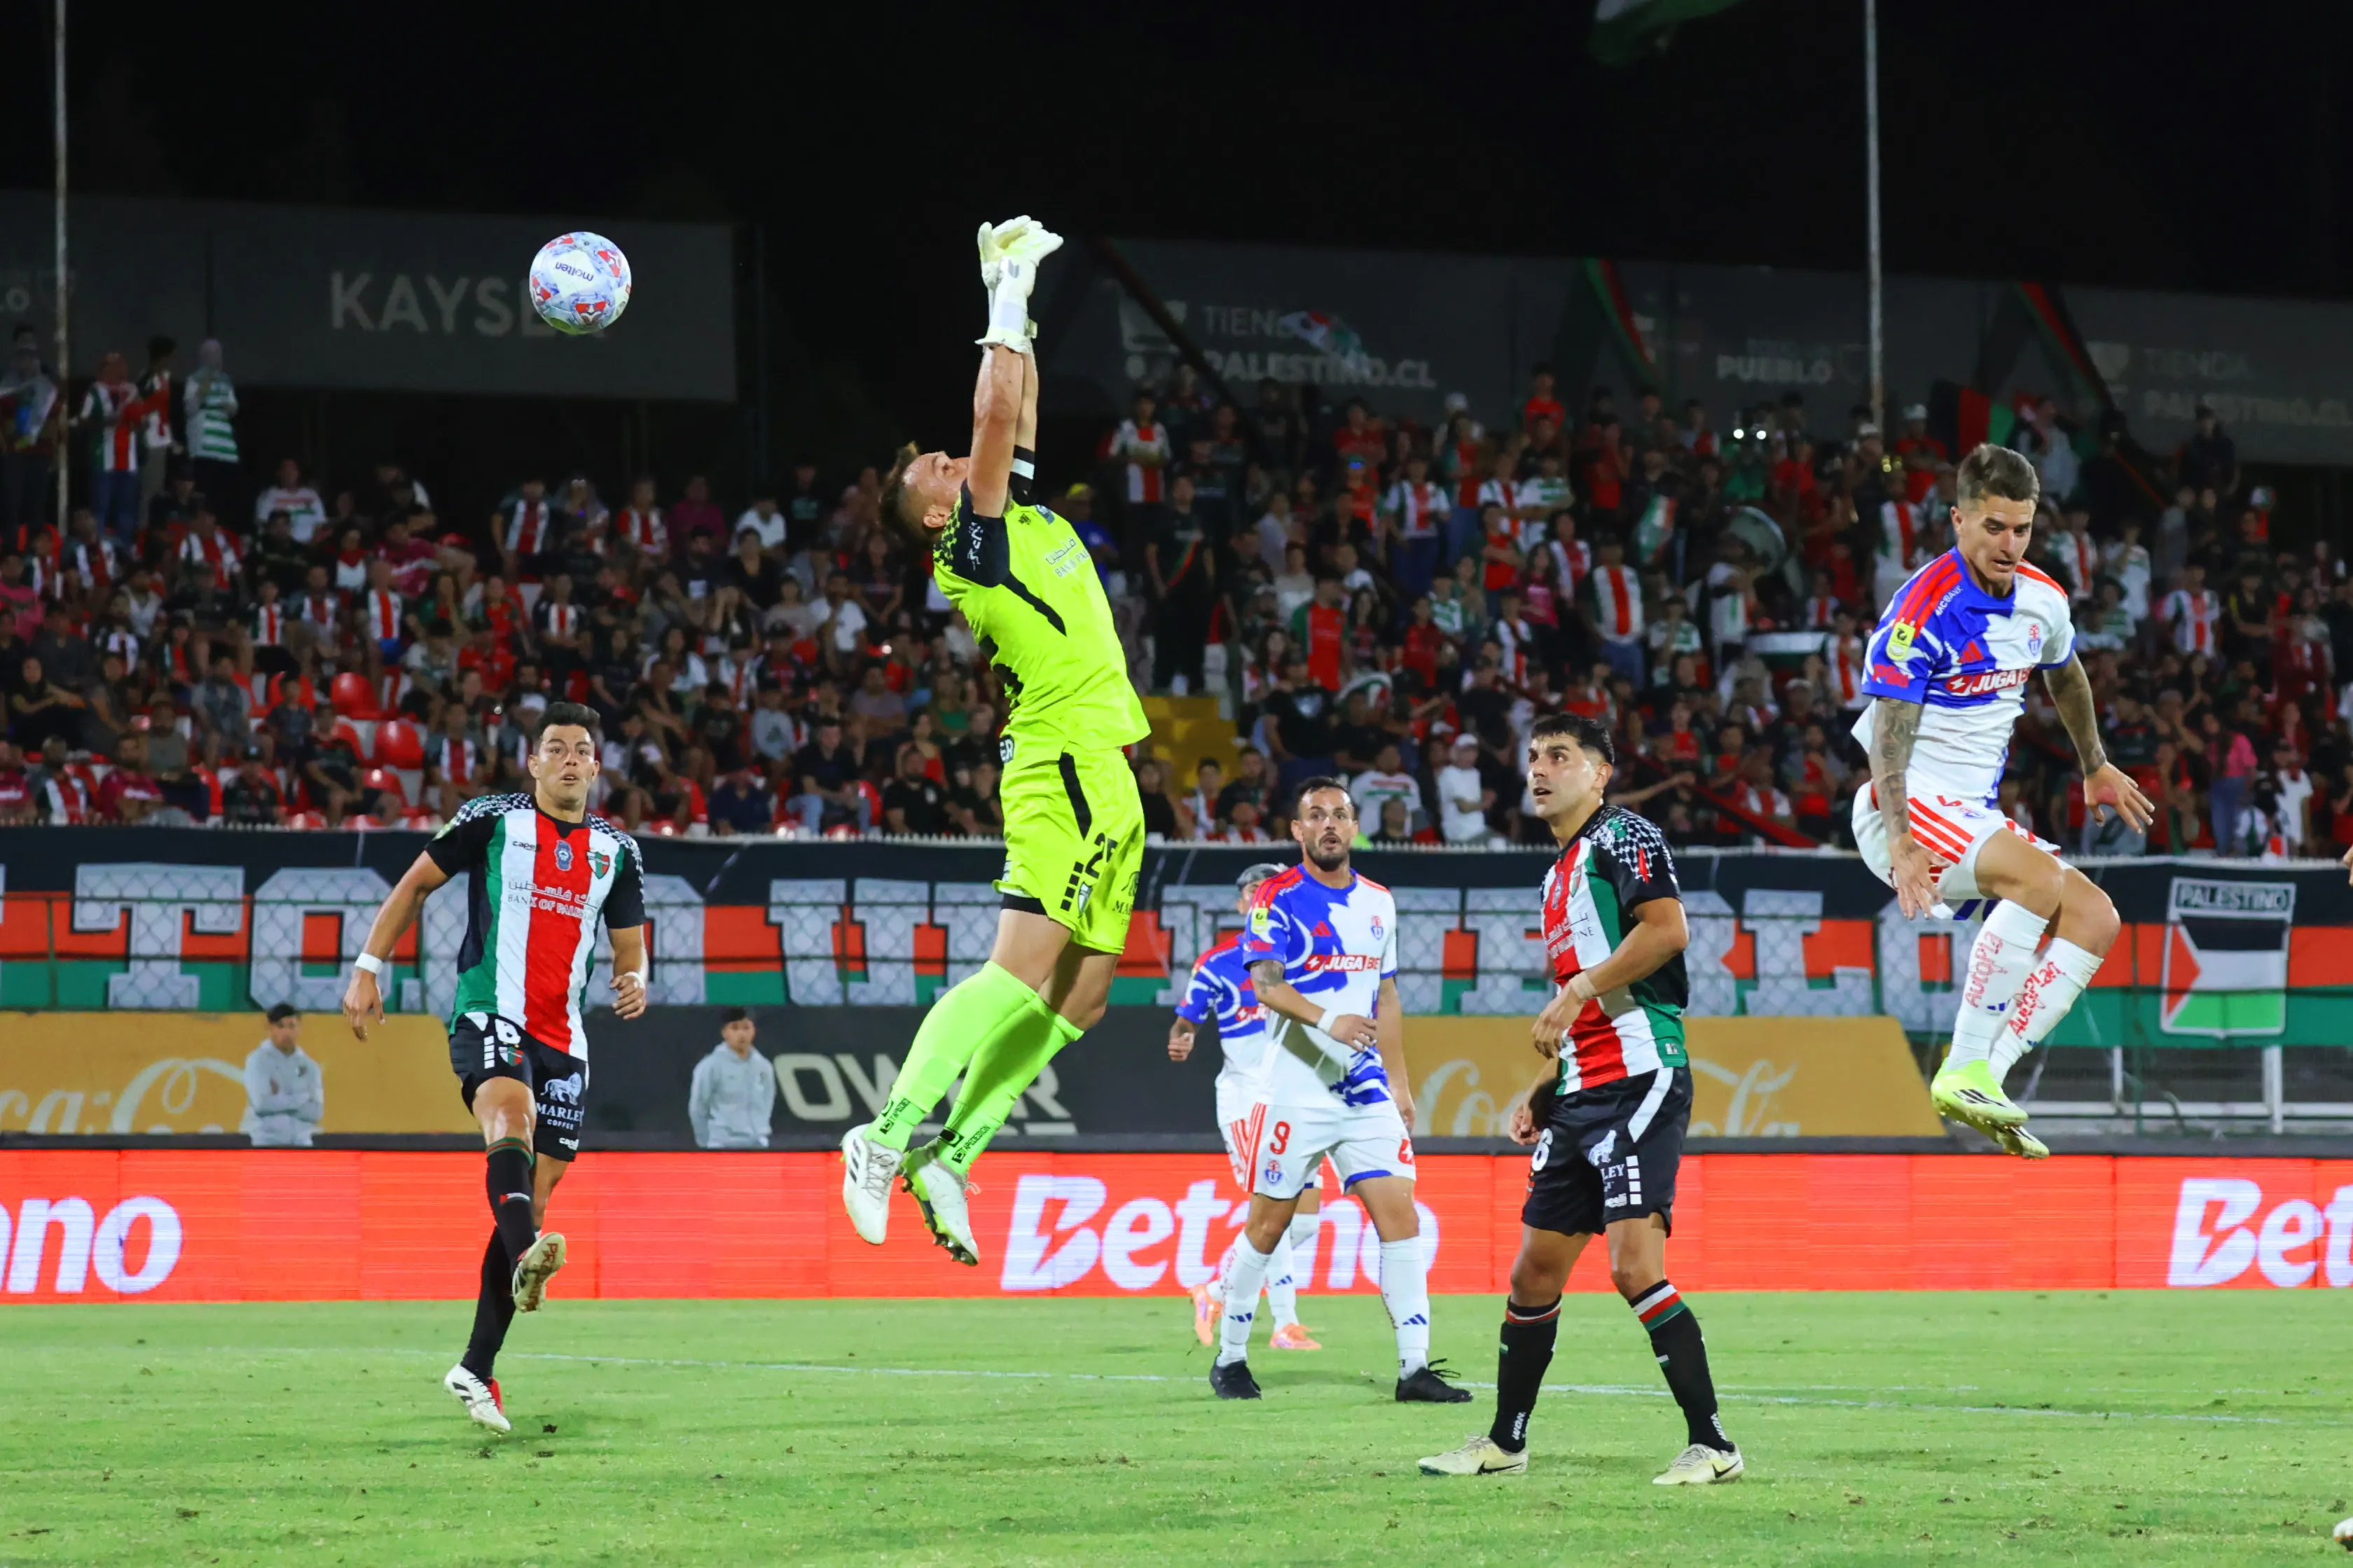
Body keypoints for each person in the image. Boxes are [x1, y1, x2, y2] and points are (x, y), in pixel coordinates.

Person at [843, 218, 1149, 1266]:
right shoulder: (969, 550)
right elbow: (985, 411)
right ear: (934, 517)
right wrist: (1002, 297)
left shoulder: (1011, 510)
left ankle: (952, 1154)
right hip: (1056, 759)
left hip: (1109, 771)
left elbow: (1006, 406)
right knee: (1018, 972)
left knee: (1086, 991)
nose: (945, 459)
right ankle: (883, 1133)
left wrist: (1012, 294)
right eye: (931, 472)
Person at [1419, 712, 1735, 1485]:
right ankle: (1504, 1441)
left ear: (1598, 774)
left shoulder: (1625, 836)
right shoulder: (1554, 873)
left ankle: (1713, 1444)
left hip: (1640, 1075)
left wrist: (1578, 991)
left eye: (1558, 756)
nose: (1537, 768)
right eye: (1531, 756)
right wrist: (1543, 1085)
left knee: (1633, 1266)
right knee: (1532, 1274)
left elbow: (1666, 931)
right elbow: (1580, 1000)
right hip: (1581, 1086)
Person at [340, 700, 649, 1435]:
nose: (571, 759)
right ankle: (525, 1259)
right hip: (491, 1011)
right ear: (534, 763)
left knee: (534, 1200)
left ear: (596, 768)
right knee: (510, 1118)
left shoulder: (617, 850)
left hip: (565, 1037)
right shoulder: (491, 819)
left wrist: (636, 978)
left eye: (583, 750)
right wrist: (366, 966)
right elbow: (415, 885)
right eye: (556, 748)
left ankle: (476, 1366)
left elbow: (630, 943)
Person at [1850, 444, 2152, 1158]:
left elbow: (2067, 673)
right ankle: (1962, 1063)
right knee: (2039, 881)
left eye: (2019, 528)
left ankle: (1985, 1071)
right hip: (1903, 804)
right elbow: (1886, 739)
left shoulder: (2041, 599)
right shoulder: (1919, 613)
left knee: (2093, 916)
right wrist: (1898, 841)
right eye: (1992, 527)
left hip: (1970, 813)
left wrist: (2095, 764)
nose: (2007, 544)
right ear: (1957, 520)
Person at [1208, 778, 1468, 1406]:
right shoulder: (1274, 897)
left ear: (1354, 827)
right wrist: (1330, 1021)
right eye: (1315, 815)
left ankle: (1413, 1368)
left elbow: (1386, 996)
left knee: (1398, 1217)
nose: (1329, 824)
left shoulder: (1380, 902)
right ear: (1298, 831)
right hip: (1294, 1090)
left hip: (1364, 1089)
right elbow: (1267, 986)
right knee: (1268, 1227)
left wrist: (1400, 1082)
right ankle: (1231, 1355)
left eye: (1340, 815)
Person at [1171, 863, 1320, 1354]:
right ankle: (1285, 1323)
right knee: (1273, 1212)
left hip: (1297, 1094)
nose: (1263, 896)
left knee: (1304, 1222)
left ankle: (1213, 1291)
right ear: (1241, 905)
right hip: (1246, 1099)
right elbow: (1187, 1017)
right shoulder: (1217, 962)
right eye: (1254, 890)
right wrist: (1183, 1035)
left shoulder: (1306, 958)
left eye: (1272, 889)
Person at [689, 1007, 776, 1149]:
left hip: (757, 1143)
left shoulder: (763, 1066)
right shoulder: (711, 1065)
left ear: (753, 1031)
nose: (742, 1034)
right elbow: (698, 1107)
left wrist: (760, 1131)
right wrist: (705, 1144)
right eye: (735, 1028)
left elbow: (768, 1100)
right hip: (723, 1144)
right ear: (725, 1033)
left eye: (746, 1028)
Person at [242, 1002, 324, 1148]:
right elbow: (261, 1104)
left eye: (291, 1026)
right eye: (280, 1026)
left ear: (299, 1028)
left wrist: (279, 1098)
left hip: (301, 1142)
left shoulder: (310, 1067)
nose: (286, 1032)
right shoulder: (257, 1061)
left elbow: (316, 1112)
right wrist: (300, 1099)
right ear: (271, 1028)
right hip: (264, 1140)